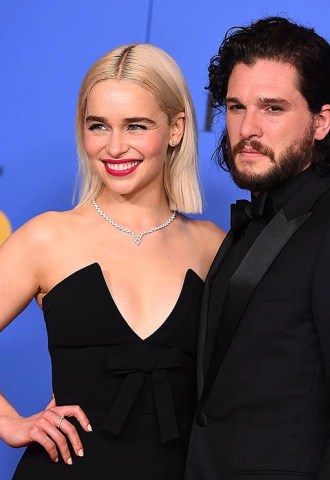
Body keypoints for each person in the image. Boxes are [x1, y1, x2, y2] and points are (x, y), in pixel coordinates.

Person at [0, 43, 224, 479]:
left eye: (136, 126)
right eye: (98, 126)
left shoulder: (212, 246)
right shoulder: (48, 237)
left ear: (176, 128)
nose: (115, 147)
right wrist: (9, 422)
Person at [184, 16, 330, 480]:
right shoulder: (243, 227)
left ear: (320, 122)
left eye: (272, 108)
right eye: (236, 107)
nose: (247, 128)